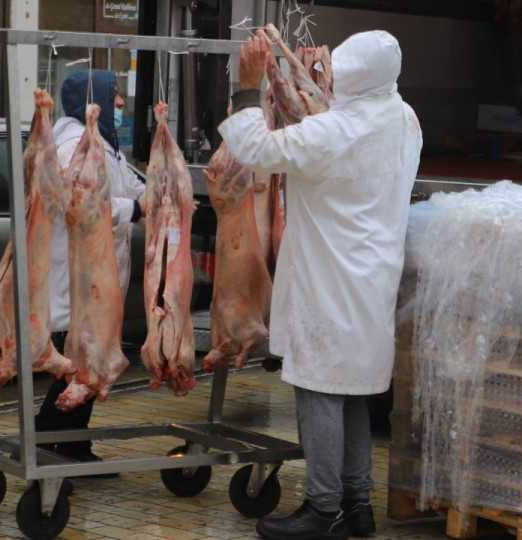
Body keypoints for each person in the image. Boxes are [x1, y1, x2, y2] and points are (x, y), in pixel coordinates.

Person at [219, 29, 423, 540]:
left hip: (329, 283)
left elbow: (254, 149)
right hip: (374, 280)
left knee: (320, 390)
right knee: (352, 391)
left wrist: (248, 89)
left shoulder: (336, 131)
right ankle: (358, 505)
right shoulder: (406, 119)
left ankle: (322, 509)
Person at [34, 69, 146, 474]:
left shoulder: (103, 144)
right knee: (81, 363)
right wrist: (135, 210)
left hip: (100, 272)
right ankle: (41, 442)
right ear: (91, 97)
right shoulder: (70, 146)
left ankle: (73, 448)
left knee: (87, 361)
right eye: (114, 94)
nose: (120, 104)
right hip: (79, 275)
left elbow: (130, 185)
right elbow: (83, 202)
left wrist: (157, 196)